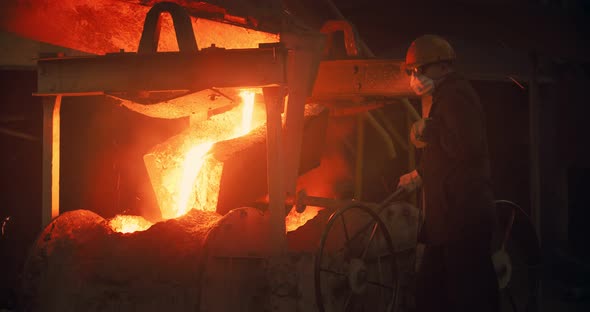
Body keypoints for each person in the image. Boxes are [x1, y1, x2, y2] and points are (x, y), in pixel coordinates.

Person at [397, 34, 500, 312]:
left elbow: (466, 149)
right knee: (432, 293)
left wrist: (431, 130)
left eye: (421, 69)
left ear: (444, 67)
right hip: (448, 220)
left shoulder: (457, 96)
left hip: (463, 217)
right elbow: (446, 156)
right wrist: (419, 174)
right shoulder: (445, 97)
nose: (415, 77)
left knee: (469, 295)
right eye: (412, 71)